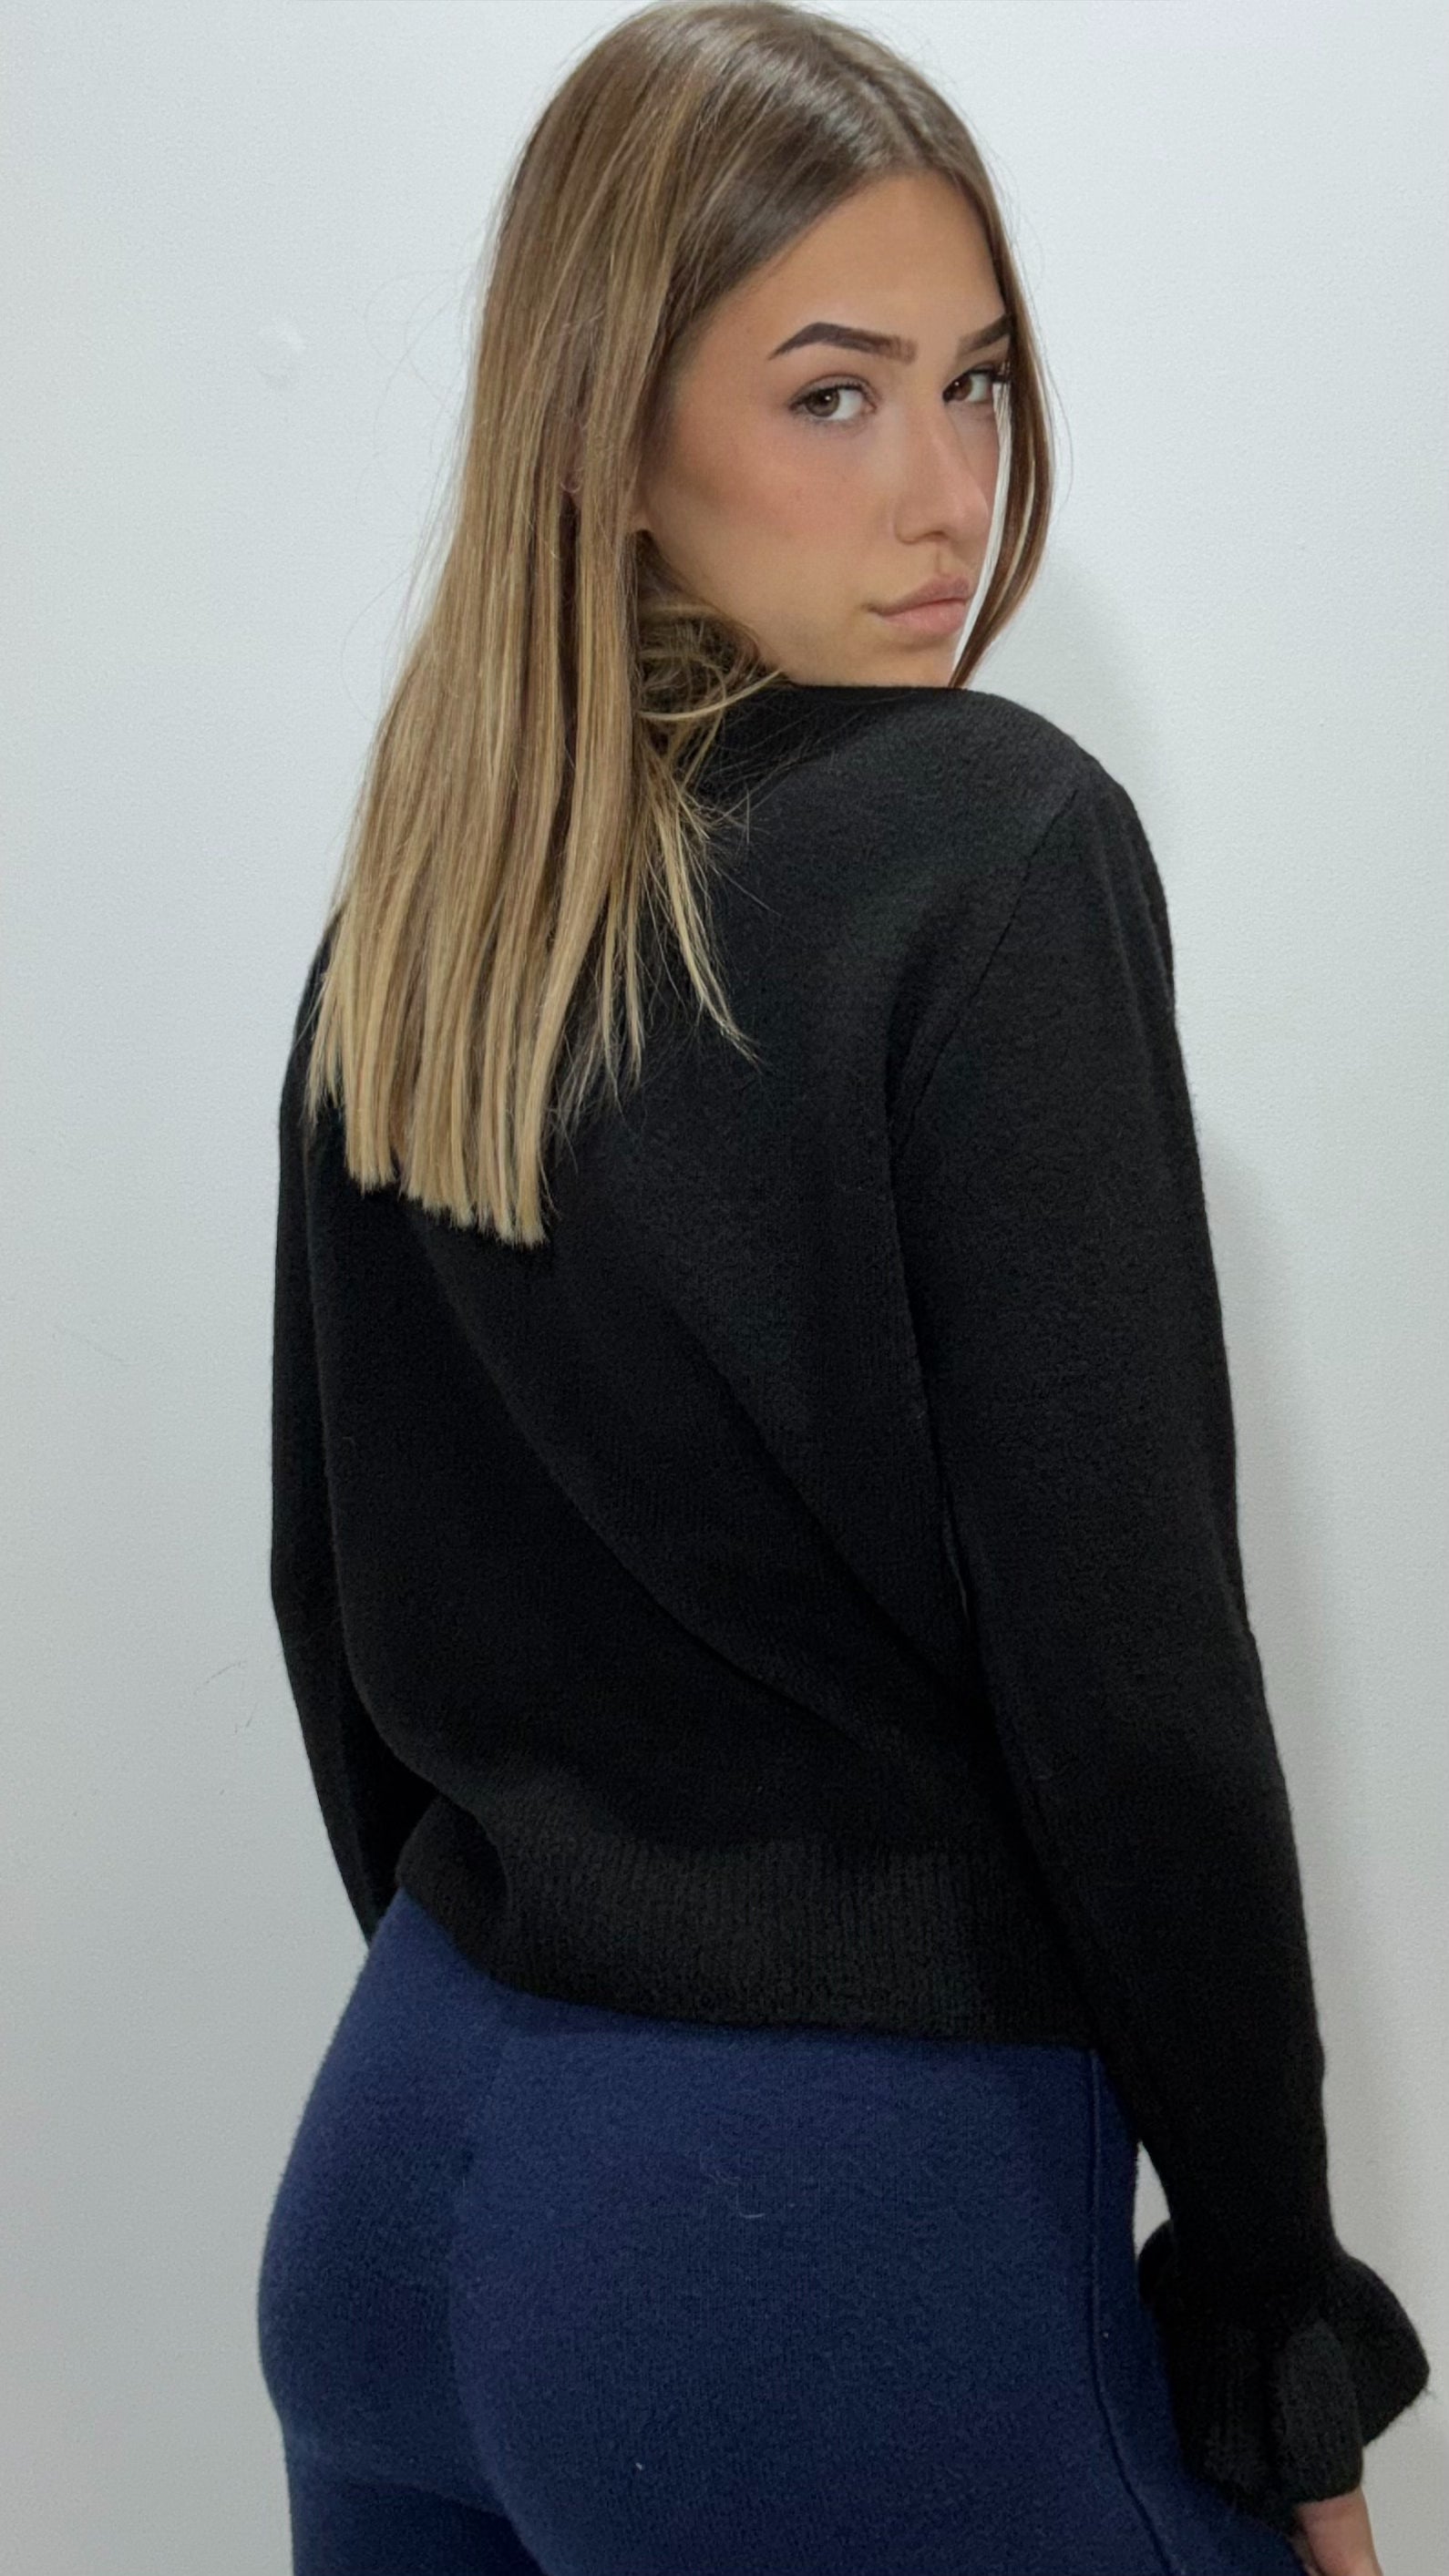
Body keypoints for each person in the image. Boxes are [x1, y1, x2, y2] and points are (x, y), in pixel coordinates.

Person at [255, 7, 1432, 2573]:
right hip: (807, 2251)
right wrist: (1278, 2344)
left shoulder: (431, 922)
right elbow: (1134, 1694)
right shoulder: (986, 847)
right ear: (607, 433)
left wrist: (559, 2088)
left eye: (976, 382)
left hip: (397, 2189)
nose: (945, 493)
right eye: (833, 394)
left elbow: (335, 1608)